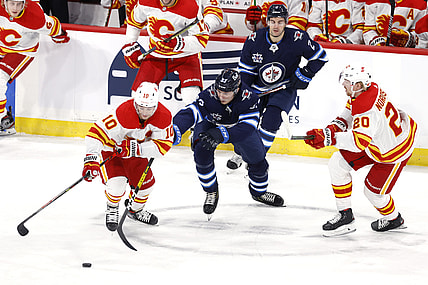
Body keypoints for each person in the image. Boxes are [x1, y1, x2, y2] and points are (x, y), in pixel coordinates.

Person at [304, 64, 418, 236]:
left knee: (373, 193)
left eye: (347, 83)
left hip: (394, 151)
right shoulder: (367, 89)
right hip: (378, 141)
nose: (344, 85)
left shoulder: (367, 108)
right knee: (337, 163)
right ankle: (345, 217)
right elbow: (349, 115)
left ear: (357, 85)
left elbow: (358, 143)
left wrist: (328, 139)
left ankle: (394, 219)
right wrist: (329, 131)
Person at [172, 68, 284, 218]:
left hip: (239, 129)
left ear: (237, 90)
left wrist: (222, 134)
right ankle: (211, 191)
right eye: (219, 91)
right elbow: (191, 112)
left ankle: (259, 193)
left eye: (226, 93)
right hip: (211, 124)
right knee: (201, 151)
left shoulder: (249, 98)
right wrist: (175, 129)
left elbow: (247, 127)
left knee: (258, 162)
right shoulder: (209, 94)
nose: (221, 96)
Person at [227, 4, 328, 169]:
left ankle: (256, 161)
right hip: (258, 89)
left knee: (271, 122)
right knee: (248, 122)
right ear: (267, 21)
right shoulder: (254, 40)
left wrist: (304, 74)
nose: (276, 26)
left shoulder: (298, 38)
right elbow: (245, 71)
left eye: (280, 22)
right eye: (272, 21)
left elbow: (321, 57)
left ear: (286, 22)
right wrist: (245, 94)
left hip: (284, 88)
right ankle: (239, 153)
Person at [82, 82, 173, 231]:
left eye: (149, 108)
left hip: (135, 153)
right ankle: (112, 207)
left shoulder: (164, 116)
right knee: (117, 186)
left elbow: (163, 146)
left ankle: (135, 211)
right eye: (141, 107)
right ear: (135, 103)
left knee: (146, 186)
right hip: (112, 153)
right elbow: (95, 133)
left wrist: (136, 148)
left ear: (156, 105)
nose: (144, 112)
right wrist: (91, 159)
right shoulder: (122, 112)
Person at [0, 0, 70, 136]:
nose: (15, 8)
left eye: (19, 4)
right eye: (12, 4)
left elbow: (54, 27)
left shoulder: (35, 16)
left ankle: (3, 120)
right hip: (2, 47)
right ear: (4, 3)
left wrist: (61, 37)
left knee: (0, 76)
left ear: (24, 4)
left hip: (22, 51)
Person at [121, 0, 209, 107]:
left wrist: (179, 43)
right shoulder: (145, 2)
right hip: (156, 55)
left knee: (192, 98)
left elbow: (201, 41)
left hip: (186, 56)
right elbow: (134, 23)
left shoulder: (191, 6)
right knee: (137, 96)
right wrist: (130, 44)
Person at [245, 0, 309, 32]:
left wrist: (274, 37)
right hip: (263, 41)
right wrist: (253, 22)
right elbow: (256, 27)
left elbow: (297, 25)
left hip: (287, 45)